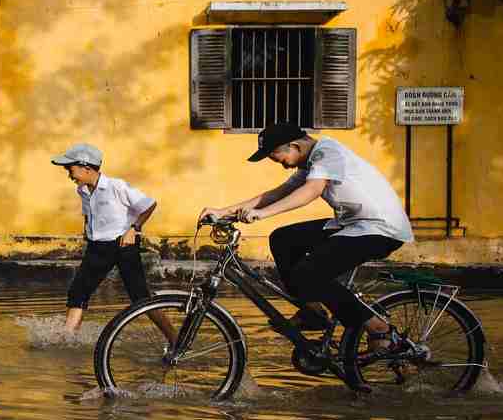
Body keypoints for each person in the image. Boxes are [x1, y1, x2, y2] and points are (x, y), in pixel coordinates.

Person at [198, 123, 414, 352]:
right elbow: (278, 193)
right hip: (353, 224)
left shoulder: (328, 153)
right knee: (283, 239)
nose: (282, 166)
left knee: (309, 273)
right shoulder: (311, 161)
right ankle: (313, 312)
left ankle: (378, 328)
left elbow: (311, 191)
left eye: (279, 158)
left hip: (380, 228)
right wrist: (225, 212)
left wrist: (262, 214)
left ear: (294, 146)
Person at [52, 143, 174, 342]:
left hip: (123, 246)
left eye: (71, 170)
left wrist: (134, 229)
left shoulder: (116, 186)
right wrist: (88, 231)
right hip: (97, 248)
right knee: (78, 292)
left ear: (87, 167)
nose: (69, 175)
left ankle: (175, 339)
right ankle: (67, 338)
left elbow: (149, 204)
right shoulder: (82, 190)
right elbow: (89, 214)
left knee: (141, 298)